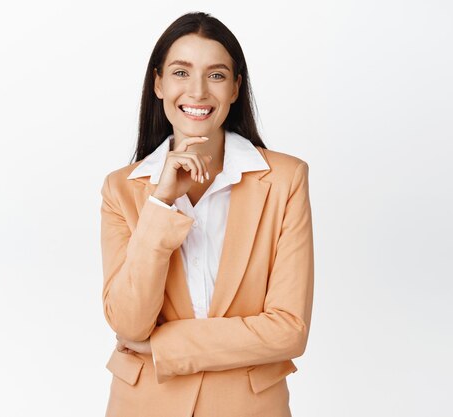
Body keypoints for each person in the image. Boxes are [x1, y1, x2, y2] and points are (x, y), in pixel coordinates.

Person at [99, 11, 314, 417]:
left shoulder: (285, 179)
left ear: (235, 88)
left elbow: (289, 330)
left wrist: (165, 346)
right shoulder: (120, 189)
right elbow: (129, 324)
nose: (197, 92)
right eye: (181, 72)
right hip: (144, 405)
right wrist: (160, 203)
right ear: (159, 83)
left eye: (216, 75)